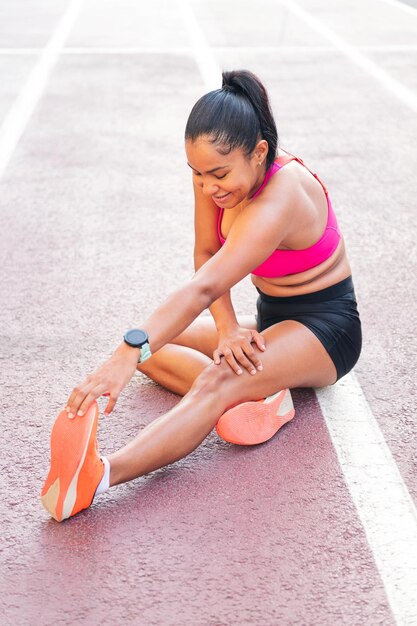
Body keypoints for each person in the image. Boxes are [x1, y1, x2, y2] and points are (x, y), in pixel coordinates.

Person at [41, 70, 362, 522]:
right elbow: (207, 252)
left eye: (218, 174)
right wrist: (227, 329)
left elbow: (204, 285)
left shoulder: (282, 196)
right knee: (156, 350)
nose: (209, 187)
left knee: (211, 378)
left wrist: (125, 352)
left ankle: (99, 476)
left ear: (260, 152)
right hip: (271, 320)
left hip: (326, 330)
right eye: (197, 173)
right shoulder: (221, 175)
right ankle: (260, 395)